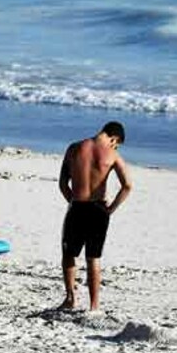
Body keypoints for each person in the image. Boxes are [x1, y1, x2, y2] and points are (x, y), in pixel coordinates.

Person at [57, 121, 133, 312]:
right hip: (99, 210)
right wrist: (111, 208)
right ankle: (94, 306)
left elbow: (63, 183)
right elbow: (127, 186)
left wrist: (72, 201)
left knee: (69, 255)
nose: (114, 147)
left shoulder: (74, 148)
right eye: (116, 144)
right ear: (114, 139)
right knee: (93, 258)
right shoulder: (113, 154)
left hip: (77, 207)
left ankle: (70, 299)